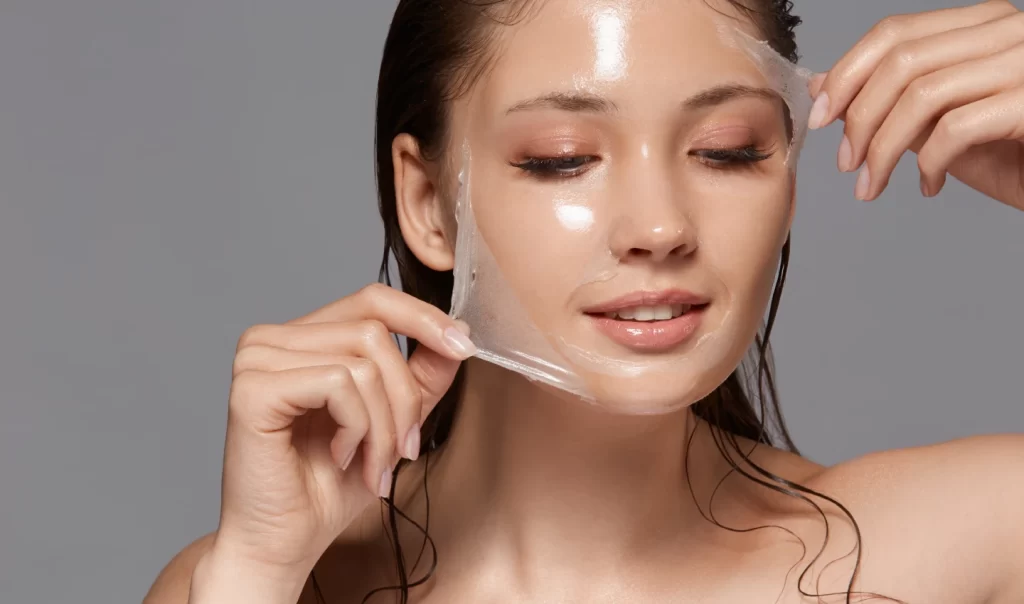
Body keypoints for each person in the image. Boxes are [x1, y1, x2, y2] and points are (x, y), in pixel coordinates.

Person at [144, 0, 1024, 602]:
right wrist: (255, 576)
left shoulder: (973, 542)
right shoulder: (255, 581)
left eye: (727, 150)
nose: (659, 226)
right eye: (562, 157)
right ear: (426, 204)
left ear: (788, 177)